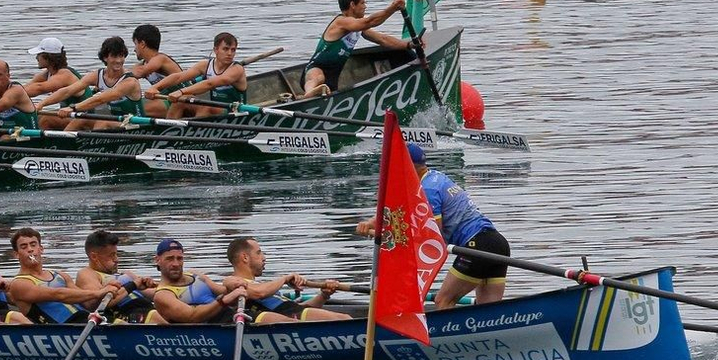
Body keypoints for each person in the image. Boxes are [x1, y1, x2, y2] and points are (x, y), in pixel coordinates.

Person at [357, 144, 511, 310]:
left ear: (407, 167)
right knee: (489, 311)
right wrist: (371, 223)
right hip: (498, 244)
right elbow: (396, 211)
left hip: (477, 246)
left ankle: (447, 335)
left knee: (443, 300)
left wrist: (390, 237)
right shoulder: (435, 177)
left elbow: (432, 236)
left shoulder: (427, 190)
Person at [302, 0, 411, 96]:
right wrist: (392, 8)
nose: (365, 6)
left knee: (326, 83)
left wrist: (409, 44)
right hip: (314, 70)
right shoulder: (341, 22)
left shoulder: (359, 28)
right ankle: (309, 93)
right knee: (319, 77)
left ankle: (314, 93)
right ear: (352, 5)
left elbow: (383, 39)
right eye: (362, 3)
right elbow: (370, 21)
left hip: (332, 80)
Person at [6, 228, 128, 324]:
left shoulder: (61, 275)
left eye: (33, 245)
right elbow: (58, 294)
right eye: (24, 246)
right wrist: (98, 293)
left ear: (41, 249)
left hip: (88, 320)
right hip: (65, 329)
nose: (30, 250)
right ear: (16, 254)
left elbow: (88, 303)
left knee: (121, 324)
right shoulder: (19, 284)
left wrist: (108, 288)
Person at [221, 236, 351, 323]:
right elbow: (259, 293)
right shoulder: (234, 284)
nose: (264, 257)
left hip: (293, 313)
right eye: (259, 252)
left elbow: (293, 307)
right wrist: (284, 279)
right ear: (245, 258)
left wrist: (324, 295)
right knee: (345, 319)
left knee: (345, 318)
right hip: (289, 319)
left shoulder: (262, 285)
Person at [47, 36, 145, 130]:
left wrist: (73, 108)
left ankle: (91, 146)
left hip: (136, 124)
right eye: (114, 57)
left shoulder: (130, 81)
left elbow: (100, 99)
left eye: (121, 56)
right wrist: (40, 105)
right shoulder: (98, 75)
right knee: (80, 120)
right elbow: (68, 91)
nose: (119, 61)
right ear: (105, 58)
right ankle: (63, 144)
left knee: (102, 122)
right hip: (116, 121)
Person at [147, 238, 245, 325]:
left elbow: (223, 292)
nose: (176, 264)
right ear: (157, 260)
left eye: (179, 258)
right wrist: (223, 301)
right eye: (170, 259)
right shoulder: (162, 295)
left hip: (236, 317)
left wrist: (232, 286)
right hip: (211, 332)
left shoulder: (195, 275)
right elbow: (192, 316)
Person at [75, 229, 158, 322]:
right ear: (94, 257)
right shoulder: (87, 274)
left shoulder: (126, 274)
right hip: (125, 314)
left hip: (148, 308)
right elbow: (95, 303)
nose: (117, 259)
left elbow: (154, 293)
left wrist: (153, 284)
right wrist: (133, 285)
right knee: (157, 317)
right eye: (112, 255)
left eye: (116, 254)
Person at [161, 32, 248, 118]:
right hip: (216, 108)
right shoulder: (205, 65)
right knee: (181, 100)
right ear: (215, 50)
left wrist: (180, 91)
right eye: (225, 49)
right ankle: (168, 127)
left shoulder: (236, 69)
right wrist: (155, 88)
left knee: (205, 107)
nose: (230, 53)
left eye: (233, 50)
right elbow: (179, 76)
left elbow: (209, 84)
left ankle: (194, 129)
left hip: (234, 110)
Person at [129, 24, 182, 117]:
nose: (134, 49)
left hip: (180, 100)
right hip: (166, 99)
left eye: (135, 44)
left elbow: (139, 72)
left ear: (142, 44)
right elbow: (126, 74)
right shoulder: (143, 64)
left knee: (134, 109)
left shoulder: (161, 59)